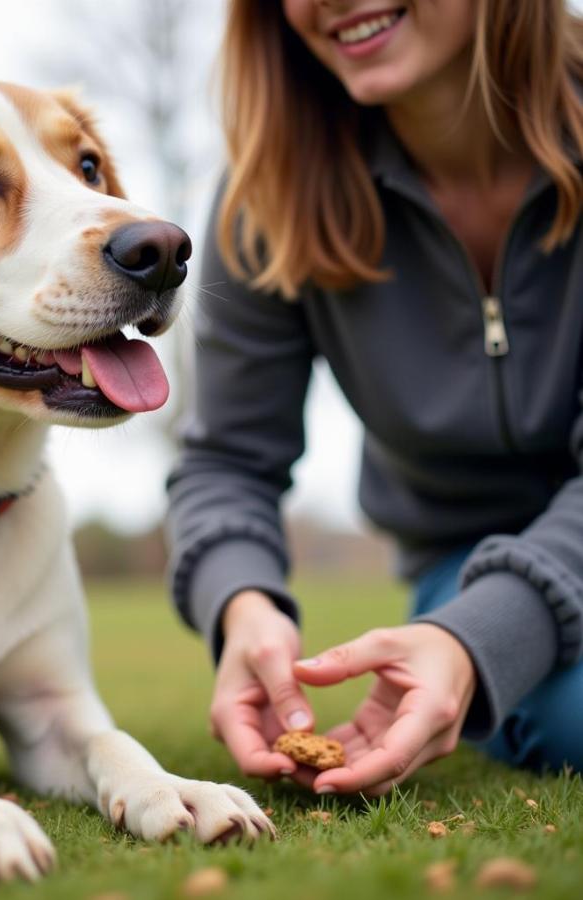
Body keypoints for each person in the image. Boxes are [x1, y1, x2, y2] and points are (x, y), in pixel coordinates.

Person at [167, 0, 583, 796]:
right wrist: (242, 603)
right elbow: (227, 461)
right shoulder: (268, 193)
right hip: (459, 573)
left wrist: (476, 646)